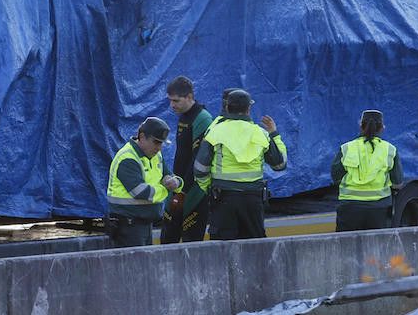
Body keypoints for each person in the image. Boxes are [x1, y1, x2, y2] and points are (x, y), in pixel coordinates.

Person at [193, 89, 287, 240]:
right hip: (253, 201)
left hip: (223, 198)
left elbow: (200, 169)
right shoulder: (261, 133)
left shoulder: (215, 131)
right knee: (255, 250)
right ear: (248, 109)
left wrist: (208, 188)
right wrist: (274, 134)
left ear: (227, 107)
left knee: (222, 248)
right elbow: (280, 164)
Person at [105, 117, 183, 247]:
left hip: (144, 223)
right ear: (142, 137)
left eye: (162, 143)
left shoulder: (155, 155)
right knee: (134, 265)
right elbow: (141, 192)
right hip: (128, 226)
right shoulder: (128, 158)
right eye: (156, 142)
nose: (159, 148)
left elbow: (170, 176)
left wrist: (177, 182)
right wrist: (166, 188)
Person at [160, 76, 214, 243]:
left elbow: (198, 159)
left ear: (189, 97)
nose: (172, 105)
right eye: (170, 100)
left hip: (194, 191)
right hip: (178, 187)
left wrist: (182, 190)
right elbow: (182, 155)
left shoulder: (203, 118)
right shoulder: (183, 115)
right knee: (167, 239)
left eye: (175, 101)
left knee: (191, 244)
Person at [331, 110, 402, 231]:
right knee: (377, 247)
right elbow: (397, 182)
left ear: (361, 126)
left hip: (350, 208)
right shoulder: (390, 149)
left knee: (347, 247)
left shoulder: (347, 148)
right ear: (382, 128)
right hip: (379, 209)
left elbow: (335, 176)